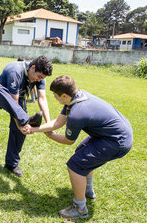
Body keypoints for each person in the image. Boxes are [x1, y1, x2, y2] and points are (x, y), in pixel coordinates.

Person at [27, 75, 133, 219]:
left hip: (117, 141)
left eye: (55, 95)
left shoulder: (77, 114)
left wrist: (51, 136)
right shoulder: (76, 96)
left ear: (64, 95)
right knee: (81, 153)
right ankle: (88, 191)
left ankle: (80, 209)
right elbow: (57, 123)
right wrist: (34, 129)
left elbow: (68, 140)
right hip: (112, 134)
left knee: (75, 165)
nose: (54, 98)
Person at [0, 55, 52, 177]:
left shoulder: (40, 75)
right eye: (39, 77)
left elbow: (42, 98)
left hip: (19, 100)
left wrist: (49, 124)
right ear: (32, 68)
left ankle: (11, 164)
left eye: (42, 78)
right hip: (0, 95)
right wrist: (20, 123)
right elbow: (14, 103)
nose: (39, 80)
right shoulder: (15, 71)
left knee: (20, 131)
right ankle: (25, 119)